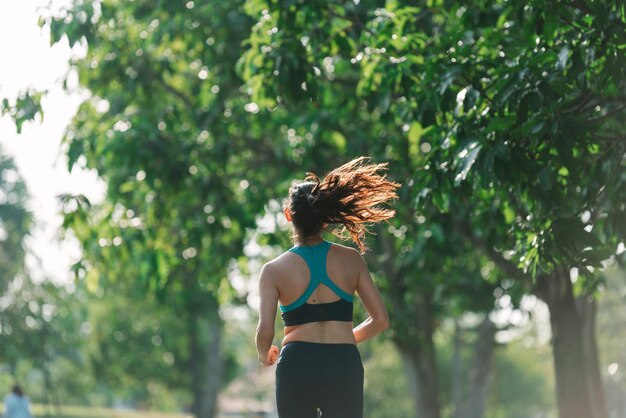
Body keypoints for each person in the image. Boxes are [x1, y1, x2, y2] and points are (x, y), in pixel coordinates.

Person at [255, 156, 399, 418]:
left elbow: (265, 332)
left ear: (289, 215)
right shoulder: (351, 259)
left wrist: (265, 354)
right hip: (343, 363)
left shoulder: (273, 270)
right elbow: (380, 320)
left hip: (297, 364)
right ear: (325, 219)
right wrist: (342, 338)